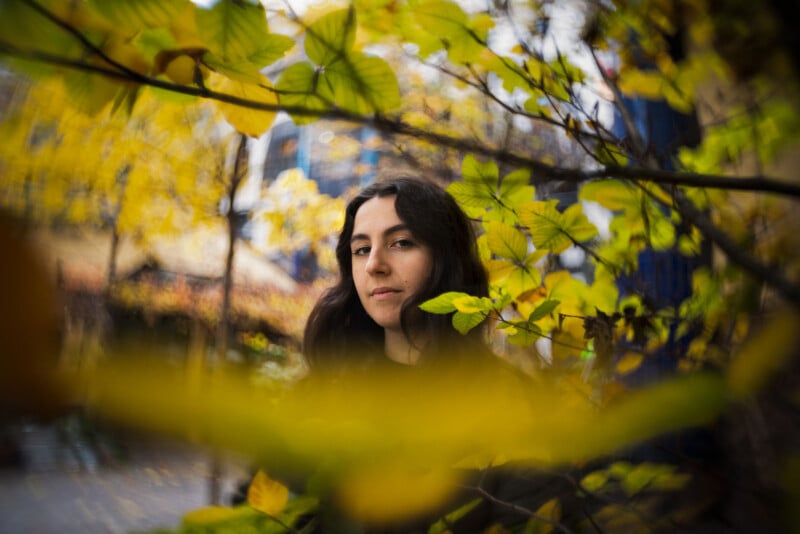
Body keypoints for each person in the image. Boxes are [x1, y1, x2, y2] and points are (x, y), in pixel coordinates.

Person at [303, 176, 493, 372]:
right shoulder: (324, 389)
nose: (373, 265)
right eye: (362, 249)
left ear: (447, 256)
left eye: (401, 243)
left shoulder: (510, 394)